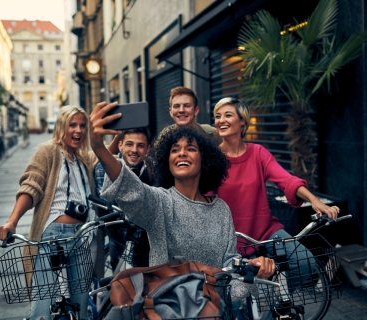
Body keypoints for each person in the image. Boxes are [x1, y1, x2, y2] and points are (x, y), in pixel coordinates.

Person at [89, 101, 275, 301]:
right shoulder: (160, 202)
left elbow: (229, 262)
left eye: (191, 149)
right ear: (167, 162)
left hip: (213, 310)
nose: (182, 153)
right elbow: (131, 188)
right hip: (172, 309)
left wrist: (253, 267)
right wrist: (99, 148)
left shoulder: (220, 209)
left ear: (205, 160)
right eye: (175, 150)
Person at [213, 97, 341, 283]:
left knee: (305, 262)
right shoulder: (214, 158)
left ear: (242, 121)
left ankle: (276, 305)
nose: (221, 120)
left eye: (228, 115)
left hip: (265, 231)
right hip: (231, 238)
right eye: (217, 116)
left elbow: (286, 180)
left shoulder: (258, 153)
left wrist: (315, 201)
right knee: (238, 293)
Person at [0, 105, 99, 320]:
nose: (78, 131)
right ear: (62, 126)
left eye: (82, 126)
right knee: (42, 308)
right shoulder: (48, 151)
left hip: (81, 236)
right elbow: (31, 186)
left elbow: (103, 156)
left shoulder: (82, 159)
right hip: (53, 236)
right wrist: (11, 222)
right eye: (72, 125)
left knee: (81, 306)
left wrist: (116, 135)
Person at [95, 127, 152, 269]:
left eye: (140, 145)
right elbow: (107, 201)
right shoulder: (102, 170)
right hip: (119, 243)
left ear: (148, 149)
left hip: (148, 247)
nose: (134, 150)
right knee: (121, 286)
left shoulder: (155, 170)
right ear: (120, 146)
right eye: (129, 144)